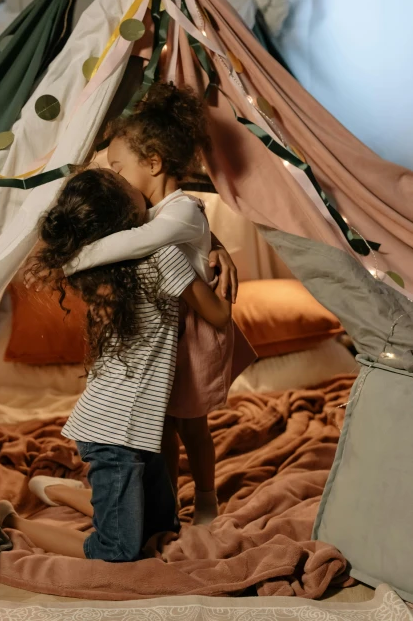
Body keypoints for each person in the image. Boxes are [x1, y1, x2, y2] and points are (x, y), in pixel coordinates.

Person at [29, 83, 256, 526]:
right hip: (167, 327)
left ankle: (206, 500)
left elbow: (146, 241)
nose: (115, 175)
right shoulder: (161, 211)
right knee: (162, 425)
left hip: (195, 330)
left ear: (152, 163)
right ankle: (166, 502)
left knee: (191, 425)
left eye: (118, 166)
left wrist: (74, 260)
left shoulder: (181, 211)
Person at [0, 166, 231, 561]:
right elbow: (219, 315)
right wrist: (222, 276)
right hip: (113, 435)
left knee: (163, 529)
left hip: (145, 429)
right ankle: (12, 522)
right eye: (127, 185)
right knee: (118, 550)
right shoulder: (165, 257)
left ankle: (59, 491)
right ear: (128, 215)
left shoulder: (97, 269)